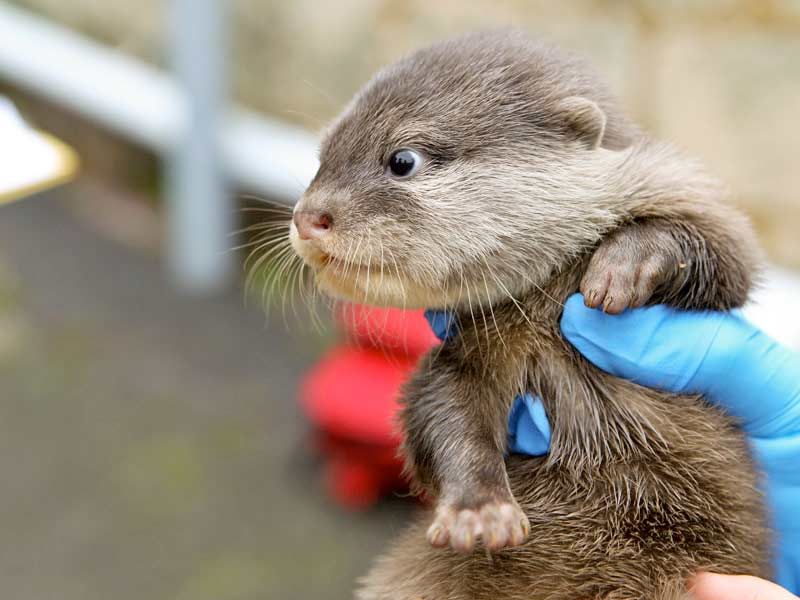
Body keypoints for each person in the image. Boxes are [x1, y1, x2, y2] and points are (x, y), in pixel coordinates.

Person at [425, 293, 800, 599]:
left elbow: (722, 265)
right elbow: (429, 436)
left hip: (684, 555)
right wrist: (474, 487)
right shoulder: (476, 328)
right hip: (497, 577)